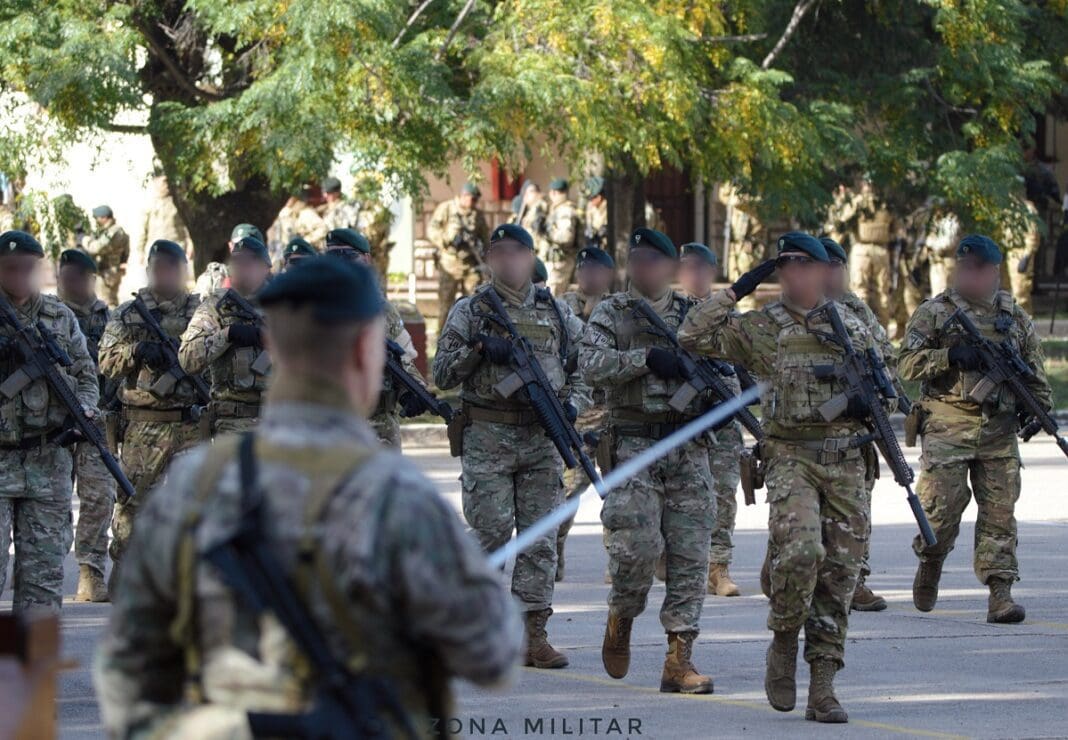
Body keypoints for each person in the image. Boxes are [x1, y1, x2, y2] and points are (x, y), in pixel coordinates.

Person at [94, 256, 523, 738]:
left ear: (274, 346)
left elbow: (125, 672)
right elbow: (494, 654)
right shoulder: (400, 497)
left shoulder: (195, 487)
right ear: (364, 350)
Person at [679, 232, 882, 723]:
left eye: (803, 264)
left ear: (823, 270)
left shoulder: (854, 325)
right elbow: (690, 335)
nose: (795, 272)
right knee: (802, 552)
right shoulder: (763, 326)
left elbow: (889, 384)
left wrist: (866, 399)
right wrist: (738, 288)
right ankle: (785, 638)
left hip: (846, 462)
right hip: (791, 456)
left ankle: (823, 684)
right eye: (784, 264)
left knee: (841, 572)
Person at [434, 223, 587, 670]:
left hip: (541, 437)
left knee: (540, 538)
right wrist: (479, 350)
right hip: (488, 437)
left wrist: (573, 405)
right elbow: (442, 373)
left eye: (517, 251)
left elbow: (585, 367)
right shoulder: (470, 311)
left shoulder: (556, 312)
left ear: (531, 257)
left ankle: (532, 635)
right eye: (499, 251)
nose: (508, 259)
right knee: (490, 534)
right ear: (488, 258)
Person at [580, 228, 715, 695]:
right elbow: (590, 365)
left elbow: (726, 371)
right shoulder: (613, 311)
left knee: (691, 555)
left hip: (688, 448)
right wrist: (646, 359)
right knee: (635, 551)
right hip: (634, 444)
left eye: (653, 259)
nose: (643, 267)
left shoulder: (694, 314)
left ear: (671, 267)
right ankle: (621, 615)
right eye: (636, 258)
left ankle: (679, 659)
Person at [899, 234, 1051, 624]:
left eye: (980, 269)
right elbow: (906, 365)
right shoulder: (936, 312)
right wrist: (949, 355)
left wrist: (1039, 409)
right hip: (948, 426)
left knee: (1000, 514)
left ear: (995, 272)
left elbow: (1034, 371)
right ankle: (931, 560)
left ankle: (1000, 593)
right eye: (967, 268)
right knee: (941, 511)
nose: (973, 275)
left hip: (999, 430)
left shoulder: (1014, 317)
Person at [0, 230, 98, 614]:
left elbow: (87, 374)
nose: (19, 276)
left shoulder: (60, 316)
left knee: (42, 583)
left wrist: (85, 407)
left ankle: (32, 655)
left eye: (27, 268)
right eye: (10, 268)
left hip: (47, 459)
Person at [98, 239, 203, 578]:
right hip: (144, 425)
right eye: (160, 267)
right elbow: (106, 362)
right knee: (134, 505)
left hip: (191, 423)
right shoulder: (129, 313)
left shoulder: (201, 312)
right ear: (150, 269)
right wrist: (136, 351)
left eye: (173, 267)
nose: (166, 274)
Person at [820, 236, 891, 612]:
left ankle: (854, 580)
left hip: (853, 429)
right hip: (809, 431)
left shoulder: (859, 312)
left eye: (836, 267)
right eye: (825, 267)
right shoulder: (795, 312)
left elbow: (886, 360)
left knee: (857, 510)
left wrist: (876, 397)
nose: (831, 275)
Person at [676, 241, 743, 598]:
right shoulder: (669, 312)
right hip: (683, 419)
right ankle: (680, 561)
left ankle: (718, 567)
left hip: (725, 421)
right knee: (681, 497)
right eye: (688, 266)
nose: (695, 273)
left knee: (724, 493)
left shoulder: (731, 316)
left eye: (701, 267)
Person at [325, 228, 427, 449]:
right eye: (333, 256)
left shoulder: (382, 310)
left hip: (379, 427)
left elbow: (405, 357)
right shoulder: (310, 307)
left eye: (348, 256)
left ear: (366, 259)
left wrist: (411, 392)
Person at [57, 249, 115, 602]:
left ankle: (91, 571)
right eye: (65, 276)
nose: (71, 283)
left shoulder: (112, 318)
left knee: (98, 497)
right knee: (54, 496)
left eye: (77, 277)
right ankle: (44, 560)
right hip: (54, 423)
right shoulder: (49, 316)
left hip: (97, 419)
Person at [555, 246, 615, 581]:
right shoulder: (561, 307)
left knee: (617, 490)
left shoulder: (619, 308)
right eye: (585, 269)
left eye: (597, 270)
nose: (590, 276)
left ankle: (617, 561)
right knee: (568, 490)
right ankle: (555, 550)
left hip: (611, 414)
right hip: (576, 414)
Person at [180, 235, 272, 436]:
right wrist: (228, 334)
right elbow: (187, 358)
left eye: (249, 263)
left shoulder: (285, 305)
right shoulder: (216, 306)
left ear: (266, 268)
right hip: (234, 421)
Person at [428, 183, 489, 321]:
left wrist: (485, 256)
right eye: (472, 199)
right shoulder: (447, 208)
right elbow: (432, 230)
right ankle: (443, 333)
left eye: (476, 200)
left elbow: (485, 238)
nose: (473, 203)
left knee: (473, 304)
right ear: (464, 196)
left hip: (471, 264)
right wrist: (446, 239)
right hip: (450, 263)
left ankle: (470, 333)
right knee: (446, 304)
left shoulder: (477, 215)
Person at [847, 181, 896, 326]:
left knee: (862, 291)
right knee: (881, 293)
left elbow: (843, 221)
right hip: (879, 250)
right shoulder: (886, 205)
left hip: (863, 250)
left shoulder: (858, 203)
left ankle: (862, 330)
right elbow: (896, 230)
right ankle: (881, 332)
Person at [719, 183, 767, 310]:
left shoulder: (752, 211)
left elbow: (759, 232)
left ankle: (746, 311)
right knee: (734, 280)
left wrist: (752, 242)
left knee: (746, 282)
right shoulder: (735, 211)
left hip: (745, 250)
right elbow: (723, 195)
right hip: (735, 248)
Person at [84, 205, 131, 306]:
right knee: (110, 300)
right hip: (111, 271)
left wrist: (85, 240)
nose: (96, 220)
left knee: (107, 303)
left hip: (108, 272)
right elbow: (126, 252)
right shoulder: (115, 230)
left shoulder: (113, 232)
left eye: (97, 218)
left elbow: (96, 248)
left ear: (104, 218)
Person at [543, 179, 583, 295]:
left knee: (554, 296)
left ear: (554, 193)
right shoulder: (557, 209)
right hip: (556, 262)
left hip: (561, 262)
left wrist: (549, 233)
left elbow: (566, 237)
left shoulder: (565, 210)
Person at [138, 175, 191, 261]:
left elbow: (187, 225)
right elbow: (142, 229)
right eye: (163, 183)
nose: (166, 186)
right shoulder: (150, 204)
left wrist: (190, 243)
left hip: (176, 246)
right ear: (156, 184)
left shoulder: (178, 203)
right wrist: (140, 251)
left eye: (167, 183)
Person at [584, 177, 609, 253]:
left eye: (591, 198)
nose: (590, 201)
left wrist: (604, 230)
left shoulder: (607, 207)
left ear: (599, 197)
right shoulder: (591, 207)